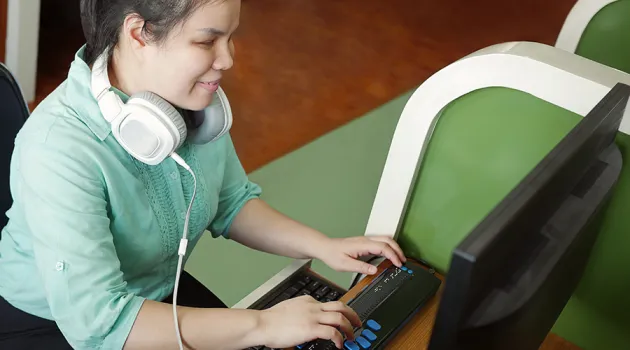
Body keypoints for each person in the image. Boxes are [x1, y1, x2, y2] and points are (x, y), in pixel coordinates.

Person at [0, 0, 407, 349]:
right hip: (57, 323)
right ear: (139, 33)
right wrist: (265, 324)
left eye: (230, 37)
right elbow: (102, 323)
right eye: (207, 40)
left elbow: (231, 201)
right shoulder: (58, 148)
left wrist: (323, 246)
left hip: (155, 295)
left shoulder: (189, 104)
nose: (228, 58)